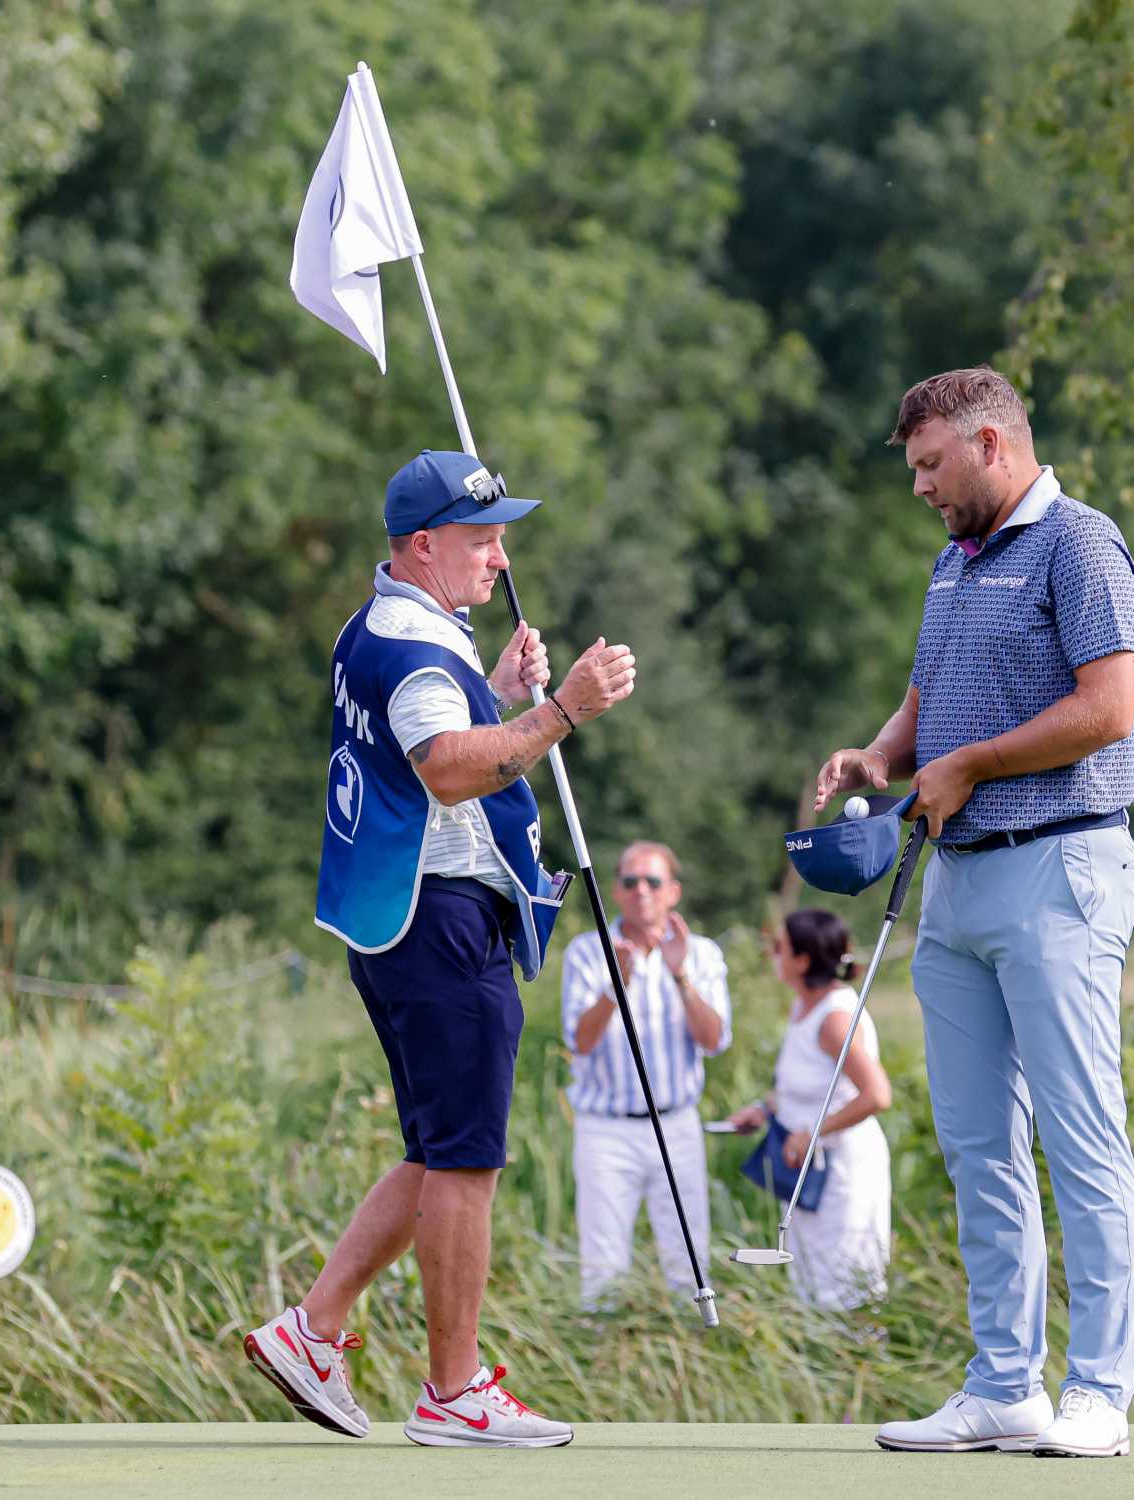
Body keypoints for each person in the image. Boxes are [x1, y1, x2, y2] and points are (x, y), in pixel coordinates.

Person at [246, 449, 636, 1450]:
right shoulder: (420, 648)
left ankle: (311, 1330)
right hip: (440, 921)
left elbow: (422, 734)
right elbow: (449, 769)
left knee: (435, 1152)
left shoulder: (381, 623)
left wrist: (492, 687)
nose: (500, 559)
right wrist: (560, 711)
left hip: (395, 918)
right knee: (466, 1163)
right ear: (423, 545)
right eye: (482, 541)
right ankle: (453, 1393)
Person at [816, 367, 1134, 1459]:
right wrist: (883, 754)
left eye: (929, 465)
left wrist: (969, 765)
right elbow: (930, 694)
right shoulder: (954, 561)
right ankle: (1005, 1385)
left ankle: (1099, 1391)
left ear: (991, 444)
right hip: (956, 881)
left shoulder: (1081, 546)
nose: (919, 488)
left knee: (1080, 1132)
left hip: (1060, 868)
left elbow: (1107, 709)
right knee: (976, 1143)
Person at [560, 840, 730, 1311]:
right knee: (602, 1264)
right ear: (615, 890)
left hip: (677, 1124)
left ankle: (692, 1341)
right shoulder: (587, 951)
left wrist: (680, 976)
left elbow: (715, 1040)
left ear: (673, 891)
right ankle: (600, 1340)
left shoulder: (702, 953)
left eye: (653, 881)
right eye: (631, 881)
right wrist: (616, 986)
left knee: (688, 1259)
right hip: (606, 1129)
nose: (642, 891)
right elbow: (580, 1042)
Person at [725, 908, 893, 1310]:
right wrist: (763, 1109)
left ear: (801, 960)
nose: (772, 954)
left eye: (778, 947)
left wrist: (812, 1133)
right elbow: (807, 1084)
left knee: (846, 1283)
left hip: (842, 1170)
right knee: (810, 1277)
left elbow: (877, 1095)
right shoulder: (804, 1008)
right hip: (806, 1166)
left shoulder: (835, 1020)